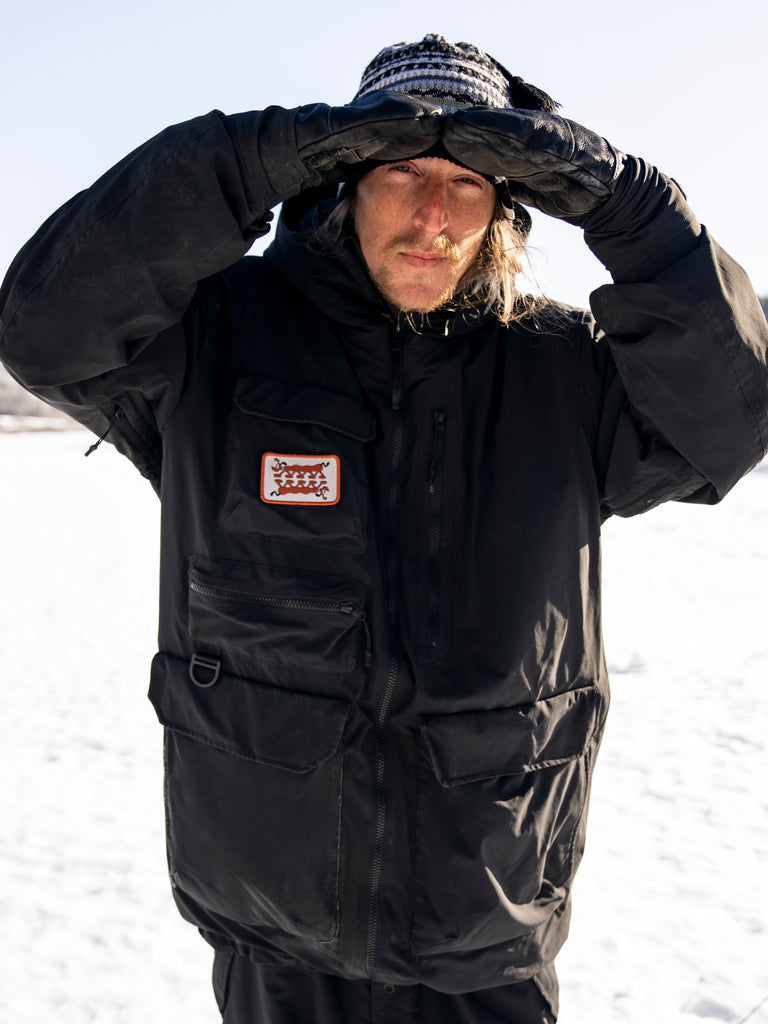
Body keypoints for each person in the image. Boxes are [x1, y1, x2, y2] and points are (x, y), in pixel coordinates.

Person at [1, 31, 766, 1024]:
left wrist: (633, 209)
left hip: (483, 927)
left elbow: (730, 420)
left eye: (468, 181)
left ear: (507, 205)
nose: (432, 214)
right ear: (342, 180)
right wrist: (252, 158)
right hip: (275, 926)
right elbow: (45, 329)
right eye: (401, 170)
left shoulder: (563, 368)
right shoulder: (217, 340)